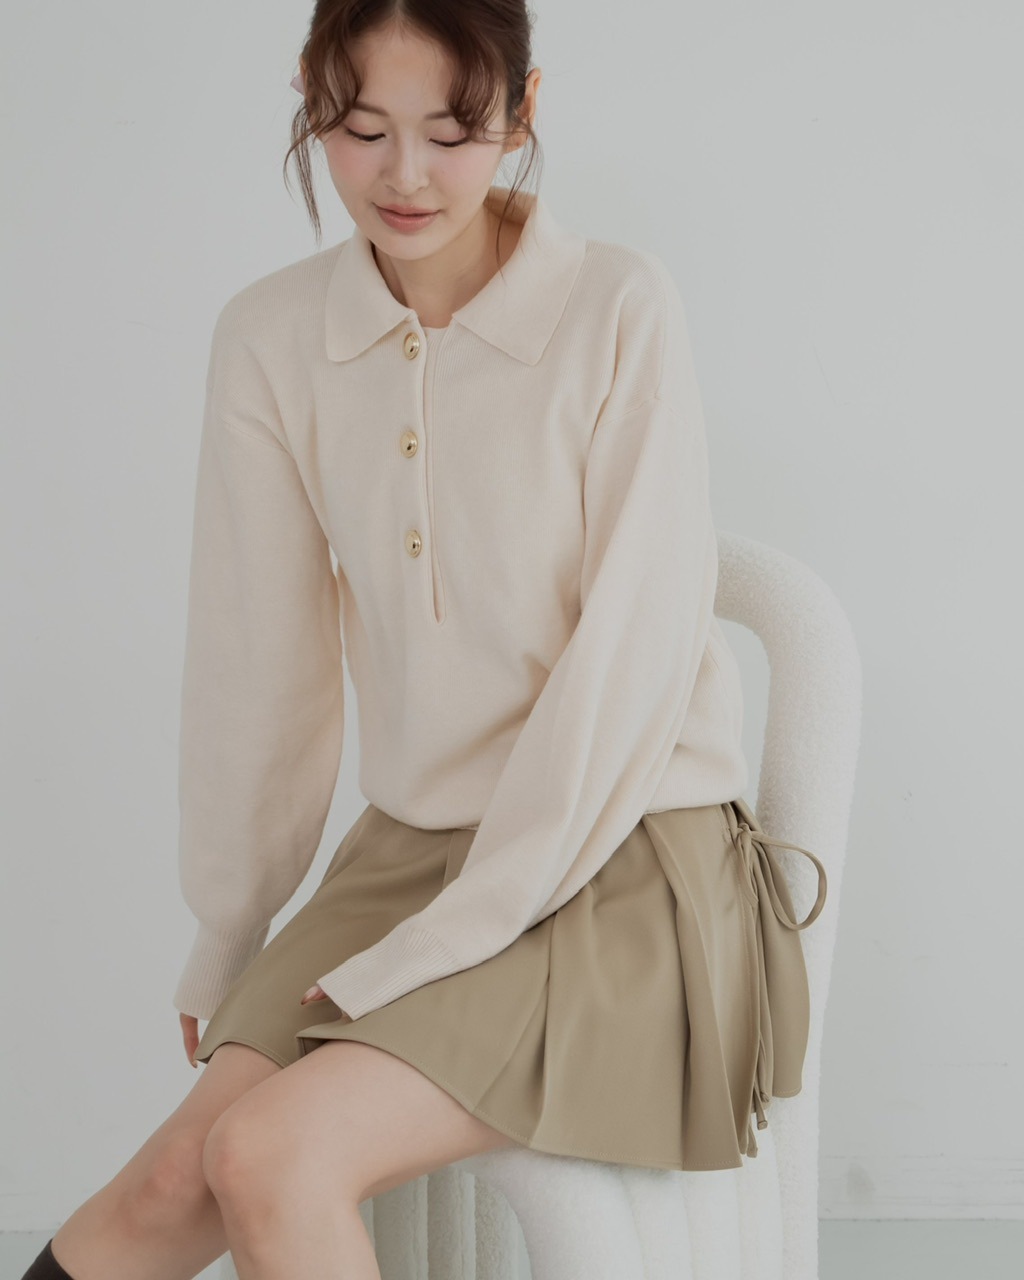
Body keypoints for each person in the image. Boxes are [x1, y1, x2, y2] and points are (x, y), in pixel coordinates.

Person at [23, 2, 828, 1277]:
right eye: (362, 129)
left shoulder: (616, 305)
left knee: (269, 1154)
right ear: (308, 99)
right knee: (175, 1174)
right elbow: (260, 669)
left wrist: (465, 924)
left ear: (522, 108)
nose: (405, 176)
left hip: (620, 856)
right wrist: (231, 923)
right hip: (413, 857)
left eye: (452, 133)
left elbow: (629, 666)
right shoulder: (271, 338)